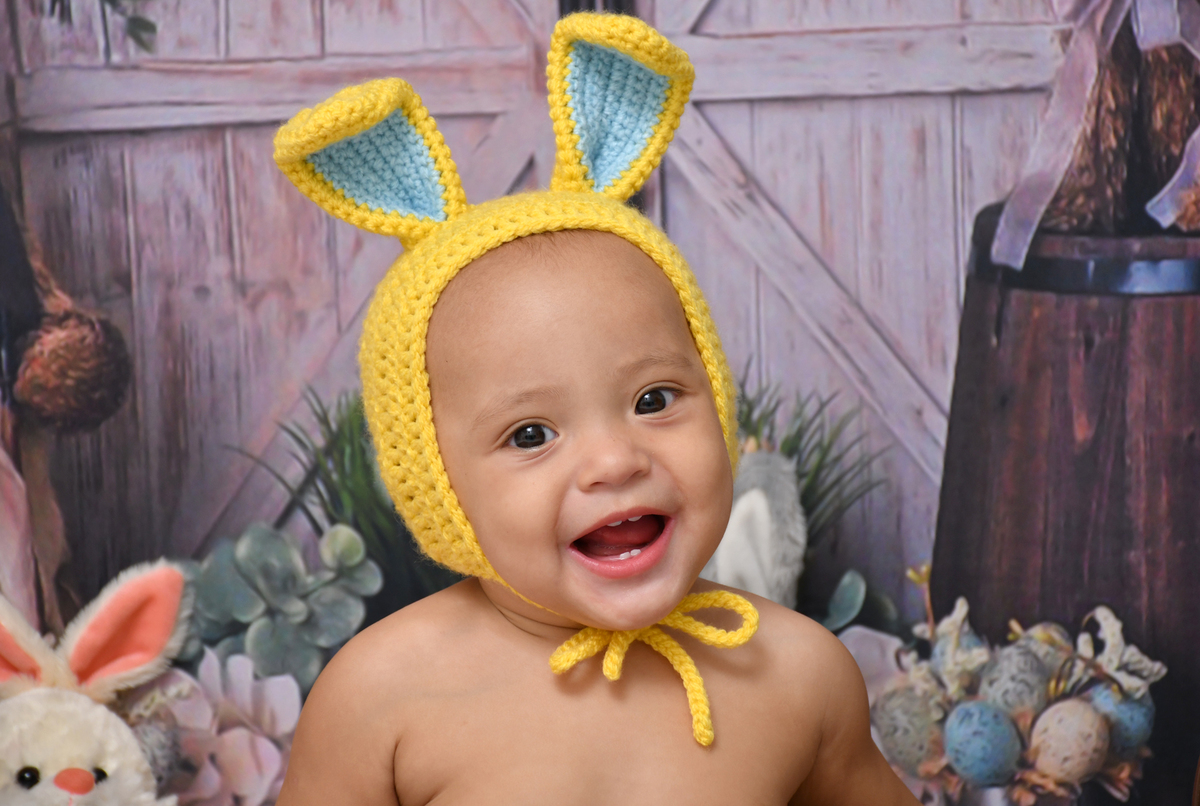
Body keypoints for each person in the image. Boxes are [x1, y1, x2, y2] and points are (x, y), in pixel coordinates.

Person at [271, 12, 919, 805]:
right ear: (438, 485)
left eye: (654, 399)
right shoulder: (381, 698)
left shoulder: (797, 674)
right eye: (530, 434)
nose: (615, 460)